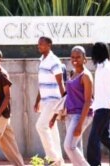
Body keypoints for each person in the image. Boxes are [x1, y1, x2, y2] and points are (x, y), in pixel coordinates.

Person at [50, 46, 93, 166]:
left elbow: (88, 101)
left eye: (78, 57)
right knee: (75, 147)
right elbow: (67, 96)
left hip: (80, 115)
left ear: (85, 59)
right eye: (73, 57)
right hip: (70, 114)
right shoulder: (73, 73)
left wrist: (80, 124)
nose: (75, 59)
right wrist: (55, 116)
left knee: (68, 146)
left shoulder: (86, 76)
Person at [34, 36, 65, 165]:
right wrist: (37, 101)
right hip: (45, 101)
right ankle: (59, 163)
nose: (39, 46)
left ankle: (53, 157)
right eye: (38, 44)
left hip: (54, 100)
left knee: (41, 126)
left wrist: (65, 103)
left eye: (41, 44)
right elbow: (42, 84)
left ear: (49, 45)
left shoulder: (54, 61)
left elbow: (61, 83)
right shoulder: (42, 61)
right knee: (52, 131)